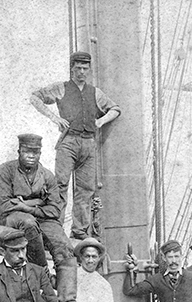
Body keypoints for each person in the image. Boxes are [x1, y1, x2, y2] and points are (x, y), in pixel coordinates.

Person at [0, 133, 91, 302]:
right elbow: (4, 205)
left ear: (40, 153)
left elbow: (54, 209)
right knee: (28, 224)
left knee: (64, 247)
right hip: (14, 218)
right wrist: (37, 203)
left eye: (35, 152)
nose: (31, 156)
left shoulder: (47, 176)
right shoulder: (5, 171)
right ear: (19, 151)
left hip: (41, 217)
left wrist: (25, 205)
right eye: (27, 151)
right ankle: (43, 275)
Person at [30, 51, 121, 240]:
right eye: (78, 68)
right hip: (68, 142)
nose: (81, 72)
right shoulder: (61, 88)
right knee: (60, 186)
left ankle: (79, 233)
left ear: (88, 70)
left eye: (84, 68)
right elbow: (35, 97)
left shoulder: (95, 92)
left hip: (88, 144)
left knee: (85, 190)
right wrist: (54, 118)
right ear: (72, 68)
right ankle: (55, 230)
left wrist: (100, 121)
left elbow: (115, 109)